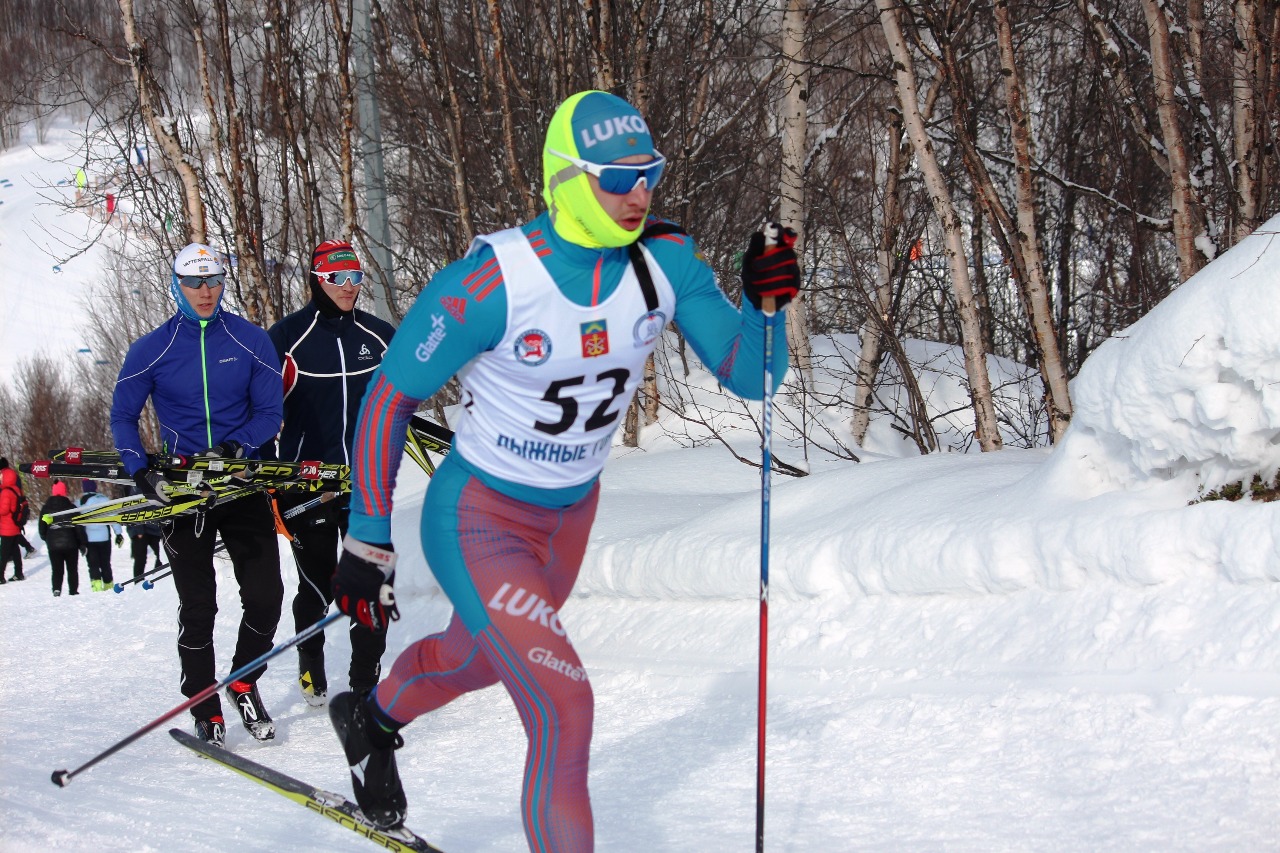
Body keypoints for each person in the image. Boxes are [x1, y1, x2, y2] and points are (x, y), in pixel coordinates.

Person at [326, 90, 801, 849]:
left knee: (479, 659)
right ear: (568, 178)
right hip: (477, 516)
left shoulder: (665, 262)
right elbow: (385, 400)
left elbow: (753, 375)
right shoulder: (490, 282)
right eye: (618, 179)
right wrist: (367, 541)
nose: (639, 193)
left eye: (649, 173)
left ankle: (371, 719)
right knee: (563, 703)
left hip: (568, 520)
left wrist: (763, 302)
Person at [111, 242, 285, 748]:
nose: (205, 291)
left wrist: (239, 445)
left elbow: (270, 414)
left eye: (212, 281)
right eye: (194, 283)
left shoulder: (250, 340)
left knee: (266, 596)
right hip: (182, 488)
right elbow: (122, 416)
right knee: (198, 604)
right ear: (177, 286)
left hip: (240, 480)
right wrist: (140, 470)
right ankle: (203, 700)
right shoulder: (152, 348)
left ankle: (244, 681)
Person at [266, 239, 396, 705]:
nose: (348, 287)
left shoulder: (380, 336)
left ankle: (365, 678)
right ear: (317, 280)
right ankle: (311, 662)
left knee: (375, 582)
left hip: (364, 483)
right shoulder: (286, 338)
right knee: (318, 583)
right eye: (337, 278)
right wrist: (268, 473)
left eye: (355, 277)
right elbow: (261, 411)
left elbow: (402, 398)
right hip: (308, 484)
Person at [78, 480, 123, 591]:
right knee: (105, 563)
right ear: (95, 487)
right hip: (104, 537)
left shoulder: (80, 502)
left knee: (93, 564)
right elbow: (114, 517)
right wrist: (118, 533)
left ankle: (97, 587)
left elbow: (77, 521)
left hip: (89, 538)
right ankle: (108, 585)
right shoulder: (104, 499)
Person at [38, 481, 81, 596]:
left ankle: (56, 589)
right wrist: (81, 543)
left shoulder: (46, 508)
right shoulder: (71, 508)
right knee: (72, 569)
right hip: (71, 544)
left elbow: (42, 527)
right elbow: (78, 527)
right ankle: (73, 590)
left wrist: (46, 538)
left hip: (53, 545)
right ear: (64, 492)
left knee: (57, 569)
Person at [0, 466, 27, 583]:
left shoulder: (6, 492)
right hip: (15, 524)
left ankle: (0, 576)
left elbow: (4, 510)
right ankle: (19, 573)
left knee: (4, 552)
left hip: (7, 526)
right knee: (15, 550)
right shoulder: (16, 489)